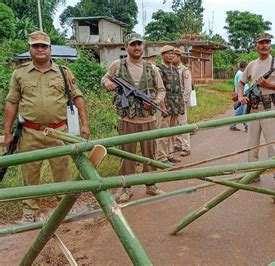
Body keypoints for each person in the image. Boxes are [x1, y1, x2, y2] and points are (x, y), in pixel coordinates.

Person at [4, 31, 90, 222]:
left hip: (59, 132)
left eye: (44, 46)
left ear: (50, 49)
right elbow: (12, 102)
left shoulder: (63, 72)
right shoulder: (19, 73)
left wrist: (85, 124)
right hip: (29, 132)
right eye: (36, 46)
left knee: (62, 171)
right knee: (29, 173)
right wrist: (7, 132)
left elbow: (78, 97)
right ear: (30, 49)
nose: (40, 49)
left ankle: (63, 208)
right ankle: (30, 211)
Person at [102, 34, 166, 203]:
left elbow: (161, 90)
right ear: (126, 46)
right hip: (127, 120)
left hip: (148, 119)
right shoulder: (118, 65)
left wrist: (155, 102)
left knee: (149, 155)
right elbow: (105, 77)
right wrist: (107, 83)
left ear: (143, 46)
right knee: (127, 155)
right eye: (133, 44)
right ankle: (126, 188)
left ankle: (151, 185)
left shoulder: (152, 68)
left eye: (139, 44)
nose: (137, 47)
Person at [238, 33, 275, 187]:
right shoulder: (252, 65)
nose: (264, 45)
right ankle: (252, 174)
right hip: (254, 108)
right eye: (261, 43)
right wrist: (241, 96)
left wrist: (269, 85)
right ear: (256, 45)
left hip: (272, 108)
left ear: (270, 45)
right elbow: (241, 83)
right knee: (251, 145)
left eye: (267, 42)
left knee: (274, 145)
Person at [156, 45, 186, 164]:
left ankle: (169, 154)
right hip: (165, 105)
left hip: (175, 104)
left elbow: (178, 89)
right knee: (163, 132)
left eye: (172, 53)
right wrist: (162, 107)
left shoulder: (174, 69)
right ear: (162, 55)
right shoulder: (159, 69)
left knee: (172, 132)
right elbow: (159, 89)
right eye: (168, 53)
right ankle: (161, 157)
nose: (171, 55)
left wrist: (181, 106)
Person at [172, 48, 192, 156]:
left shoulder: (184, 70)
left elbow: (188, 88)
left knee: (183, 124)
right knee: (175, 124)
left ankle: (186, 147)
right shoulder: (171, 69)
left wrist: (183, 101)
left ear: (179, 57)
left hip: (180, 101)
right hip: (172, 101)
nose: (171, 57)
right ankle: (178, 144)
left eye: (173, 55)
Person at [230, 61, 249, 132]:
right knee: (244, 111)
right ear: (245, 67)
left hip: (241, 95)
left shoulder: (238, 73)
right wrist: (241, 95)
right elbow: (241, 85)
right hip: (243, 95)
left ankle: (233, 125)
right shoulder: (241, 74)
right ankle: (246, 125)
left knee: (240, 111)